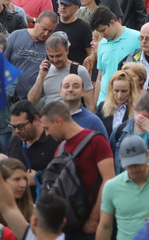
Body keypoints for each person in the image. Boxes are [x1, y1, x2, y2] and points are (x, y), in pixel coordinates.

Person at [40, 100, 116, 236]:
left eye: (46, 128)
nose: (46, 134)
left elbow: (109, 180)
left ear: (58, 121)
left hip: (92, 226)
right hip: (68, 225)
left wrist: (94, 218)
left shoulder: (97, 141)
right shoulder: (61, 147)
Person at [96, 136, 149, 240]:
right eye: (130, 165)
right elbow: (105, 227)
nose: (135, 168)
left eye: (138, 163)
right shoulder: (112, 186)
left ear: (147, 155)